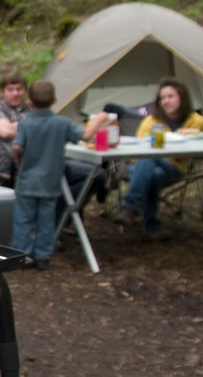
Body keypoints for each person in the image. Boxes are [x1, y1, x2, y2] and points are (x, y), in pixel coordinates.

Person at [11, 80, 108, 270]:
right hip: (51, 181)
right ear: (55, 100)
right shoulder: (62, 123)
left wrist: (18, 159)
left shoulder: (26, 123)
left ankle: (23, 254)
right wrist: (100, 117)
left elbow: (16, 146)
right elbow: (86, 135)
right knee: (46, 219)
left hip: (28, 181)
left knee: (23, 219)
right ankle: (43, 256)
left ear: (29, 103)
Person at [114, 77, 203, 240]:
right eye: (162, 98)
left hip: (174, 166)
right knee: (154, 170)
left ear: (182, 98)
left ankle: (130, 207)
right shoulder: (151, 121)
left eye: (170, 97)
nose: (166, 101)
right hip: (138, 165)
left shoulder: (195, 120)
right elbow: (138, 152)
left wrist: (194, 134)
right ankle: (151, 225)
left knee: (153, 160)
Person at [0, 72, 30, 186]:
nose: (15, 93)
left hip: (37, 156)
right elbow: (5, 132)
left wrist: (15, 126)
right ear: (2, 92)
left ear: (25, 91)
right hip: (7, 158)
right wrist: (35, 126)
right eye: (10, 90)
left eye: (19, 89)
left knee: (79, 173)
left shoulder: (30, 108)